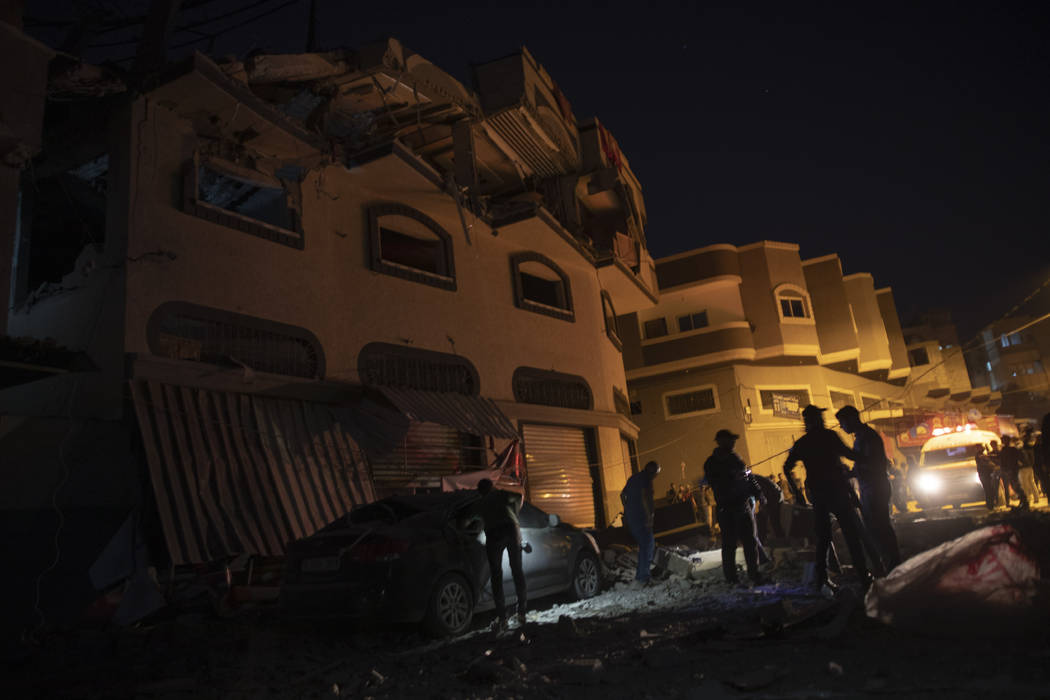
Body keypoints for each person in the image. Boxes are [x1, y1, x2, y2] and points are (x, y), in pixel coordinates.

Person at [783, 405, 872, 590]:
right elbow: (848, 453)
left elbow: (786, 467)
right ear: (817, 419)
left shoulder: (802, 443)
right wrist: (868, 458)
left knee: (823, 537)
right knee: (850, 534)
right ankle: (863, 576)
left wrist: (797, 492)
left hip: (819, 493)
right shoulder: (829, 437)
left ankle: (821, 579)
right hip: (836, 491)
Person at [835, 405, 902, 570]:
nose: (842, 427)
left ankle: (893, 563)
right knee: (874, 527)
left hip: (875, 487)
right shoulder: (860, 437)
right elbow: (862, 464)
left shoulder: (868, 437)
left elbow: (871, 462)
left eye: (842, 423)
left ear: (851, 419)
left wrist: (845, 453)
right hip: (868, 487)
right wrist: (850, 473)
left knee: (880, 526)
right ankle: (888, 562)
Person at [704, 429, 770, 586]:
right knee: (729, 544)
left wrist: (759, 493)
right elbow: (715, 483)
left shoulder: (737, 458)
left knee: (750, 541)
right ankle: (731, 578)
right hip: (726, 509)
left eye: (734, 440)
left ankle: (754, 574)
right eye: (730, 440)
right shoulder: (711, 463)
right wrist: (731, 477)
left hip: (743, 506)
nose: (733, 443)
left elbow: (749, 477)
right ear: (720, 441)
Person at [467, 478, 527, 631]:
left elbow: (466, 521)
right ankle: (522, 612)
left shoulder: (480, 503)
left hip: (494, 534)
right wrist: (514, 514)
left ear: (480, 492)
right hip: (510, 529)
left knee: (496, 574)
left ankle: (502, 618)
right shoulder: (501, 494)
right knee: (517, 571)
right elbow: (519, 497)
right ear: (492, 487)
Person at [621, 461, 660, 588]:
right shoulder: (646, 479)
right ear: (653, 471)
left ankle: (641, 576)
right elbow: (644, 497)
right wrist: (650, 516)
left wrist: (627, 510)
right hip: (641, 517)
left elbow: (622, 495)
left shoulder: (633, 478)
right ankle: (643, 577)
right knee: (648, 544)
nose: (655, 477)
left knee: (644, 545)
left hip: (631, 517)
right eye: (656, 474)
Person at [752, 473, 786, 546]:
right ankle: (778, 537)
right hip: (776, 496)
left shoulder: (752, 480)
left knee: (772, 519)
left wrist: (763, 506)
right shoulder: (755, 478)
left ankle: (779, 538)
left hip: (774, 497)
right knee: (773, 519)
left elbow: (761, 493)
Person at [999, 436, 1030, 510]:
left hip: (1013, 470)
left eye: (1004, 440)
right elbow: (1002, 461)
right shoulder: (1004, 450)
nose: (1003, 441)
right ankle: (1023, 500)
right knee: (1014, 486)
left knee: (1016, 485)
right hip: (1009, 470)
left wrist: (1015, 466)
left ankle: (1024, 500)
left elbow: (1018, 458)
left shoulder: (1012, 449)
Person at [974, 444, 999, 510]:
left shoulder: (982, 454)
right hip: (984, 475)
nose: (982, 448)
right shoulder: (979, 455)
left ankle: (991, 504)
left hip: (987, 475)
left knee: (990, 490)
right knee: (988, 490)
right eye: (980, 447)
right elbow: (985, 459)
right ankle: (990, 505)